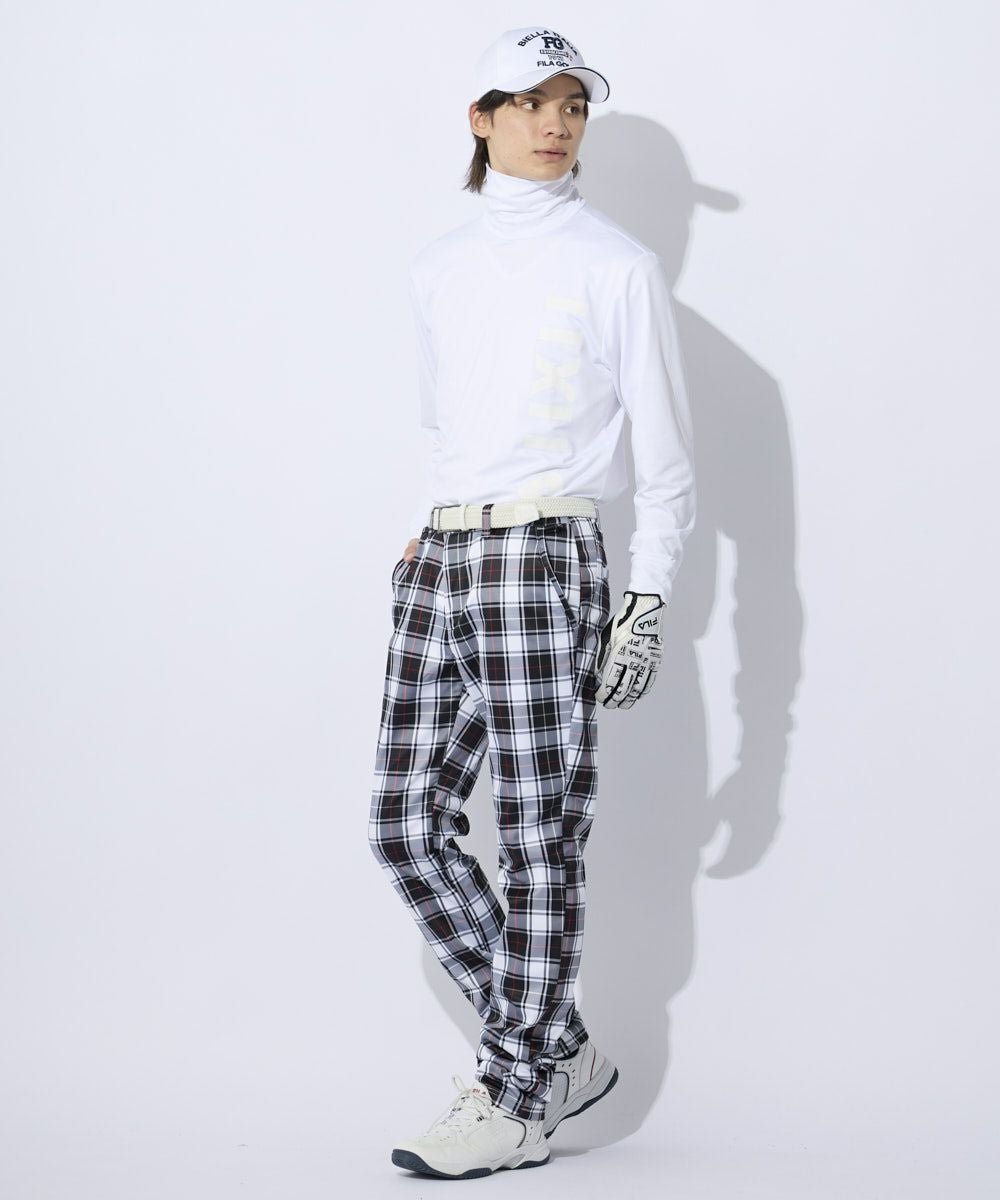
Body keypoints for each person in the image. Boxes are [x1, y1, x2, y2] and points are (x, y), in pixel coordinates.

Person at [368, 25, 696, 1180]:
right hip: (444, 553)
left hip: (546, 557)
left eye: (573, 104)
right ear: (480, 117)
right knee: (404, 824)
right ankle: (557, 1048)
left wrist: (643, 603)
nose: (555, 122)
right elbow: (451, 419)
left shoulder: (615, 266)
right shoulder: (439, 267)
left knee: (536, 837)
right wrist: (429, 534)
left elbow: (666, 465)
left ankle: (513, 1096)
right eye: (529, 101)